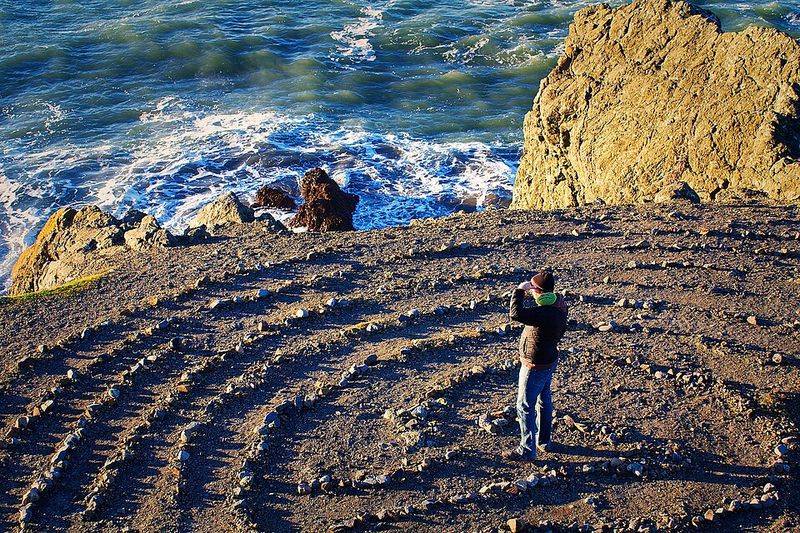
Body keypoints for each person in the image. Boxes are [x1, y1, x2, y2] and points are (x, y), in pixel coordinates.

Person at [503, 270, 568, 462]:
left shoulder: (543, 313)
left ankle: (527, 449)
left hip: (535, 365)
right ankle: (544, 440)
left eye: (533, 288)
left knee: (524, 405)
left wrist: (519, 291)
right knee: (544, 399)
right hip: (549, 359)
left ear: (538, 291)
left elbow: (516, 314)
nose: (531, 291)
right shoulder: (558, 303)